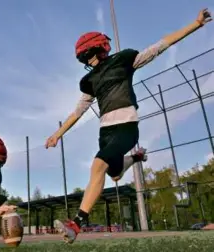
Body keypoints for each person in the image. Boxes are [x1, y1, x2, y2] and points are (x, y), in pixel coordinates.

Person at [45, 8, 212, 244]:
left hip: (126, 126)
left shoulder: (123, 60)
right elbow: (78, 111)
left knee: (97, 166)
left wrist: (195, 25)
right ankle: (135, 158)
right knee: (113, 174)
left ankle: (76, 223)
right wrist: (57, 134)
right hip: (106, 131)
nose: (87, 61)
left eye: (88, 56)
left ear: (97, 50)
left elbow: (159, 46)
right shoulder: (90, 80)